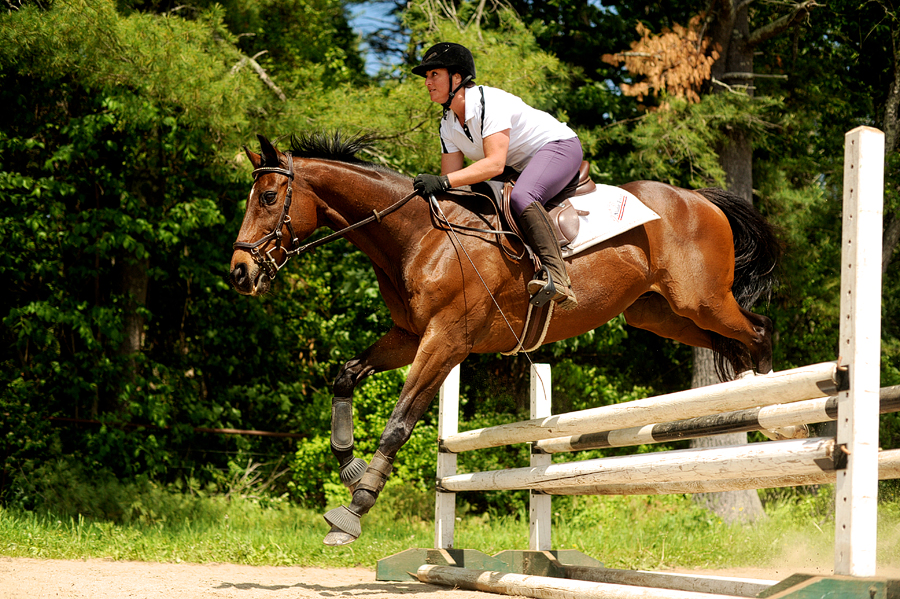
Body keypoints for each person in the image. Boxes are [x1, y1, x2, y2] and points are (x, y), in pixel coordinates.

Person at [412, 42, 582, 309]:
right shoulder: (447, 124)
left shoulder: (488, 101)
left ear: (457, 77)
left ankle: (558, 277)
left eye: (434, 74)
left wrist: (442, 181)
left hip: (558, 147)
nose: (427, 82)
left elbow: (493, 165)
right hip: (520, 164)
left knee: (523, 196)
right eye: (426, 77)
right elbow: (453, 181)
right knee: (473, 196)